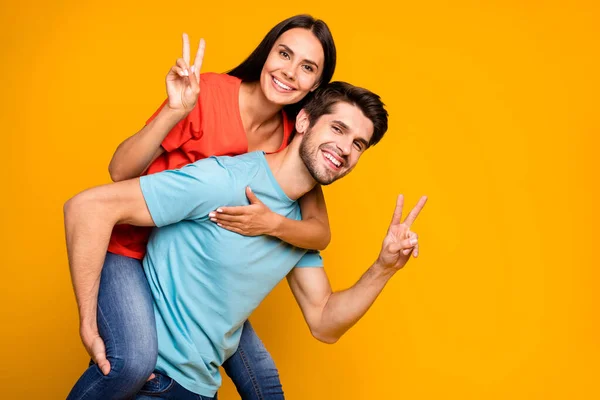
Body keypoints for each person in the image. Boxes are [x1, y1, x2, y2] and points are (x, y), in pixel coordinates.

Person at [64, 80, 427, 399]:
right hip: (151, 382)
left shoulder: (299, 224)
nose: (345, 148)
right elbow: (87, 208)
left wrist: (384, 268)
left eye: (358, 143)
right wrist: (89, 326)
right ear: (303, 121)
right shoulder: (226, 180)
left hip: (201, 390)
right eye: (337, 128)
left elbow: (324, 322)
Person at [66, 15, 336, 400]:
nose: (290, 72)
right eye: (284, 54)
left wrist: (270, 223)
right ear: (266, 53)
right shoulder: (206, 93)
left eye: (307, 67)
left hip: (192, 275)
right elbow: (119, 171)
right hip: (132, 251)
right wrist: (175, 111)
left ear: (317, 87)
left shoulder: (295, 136)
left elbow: (319, 232)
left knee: (265, 383)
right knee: (132, 362)